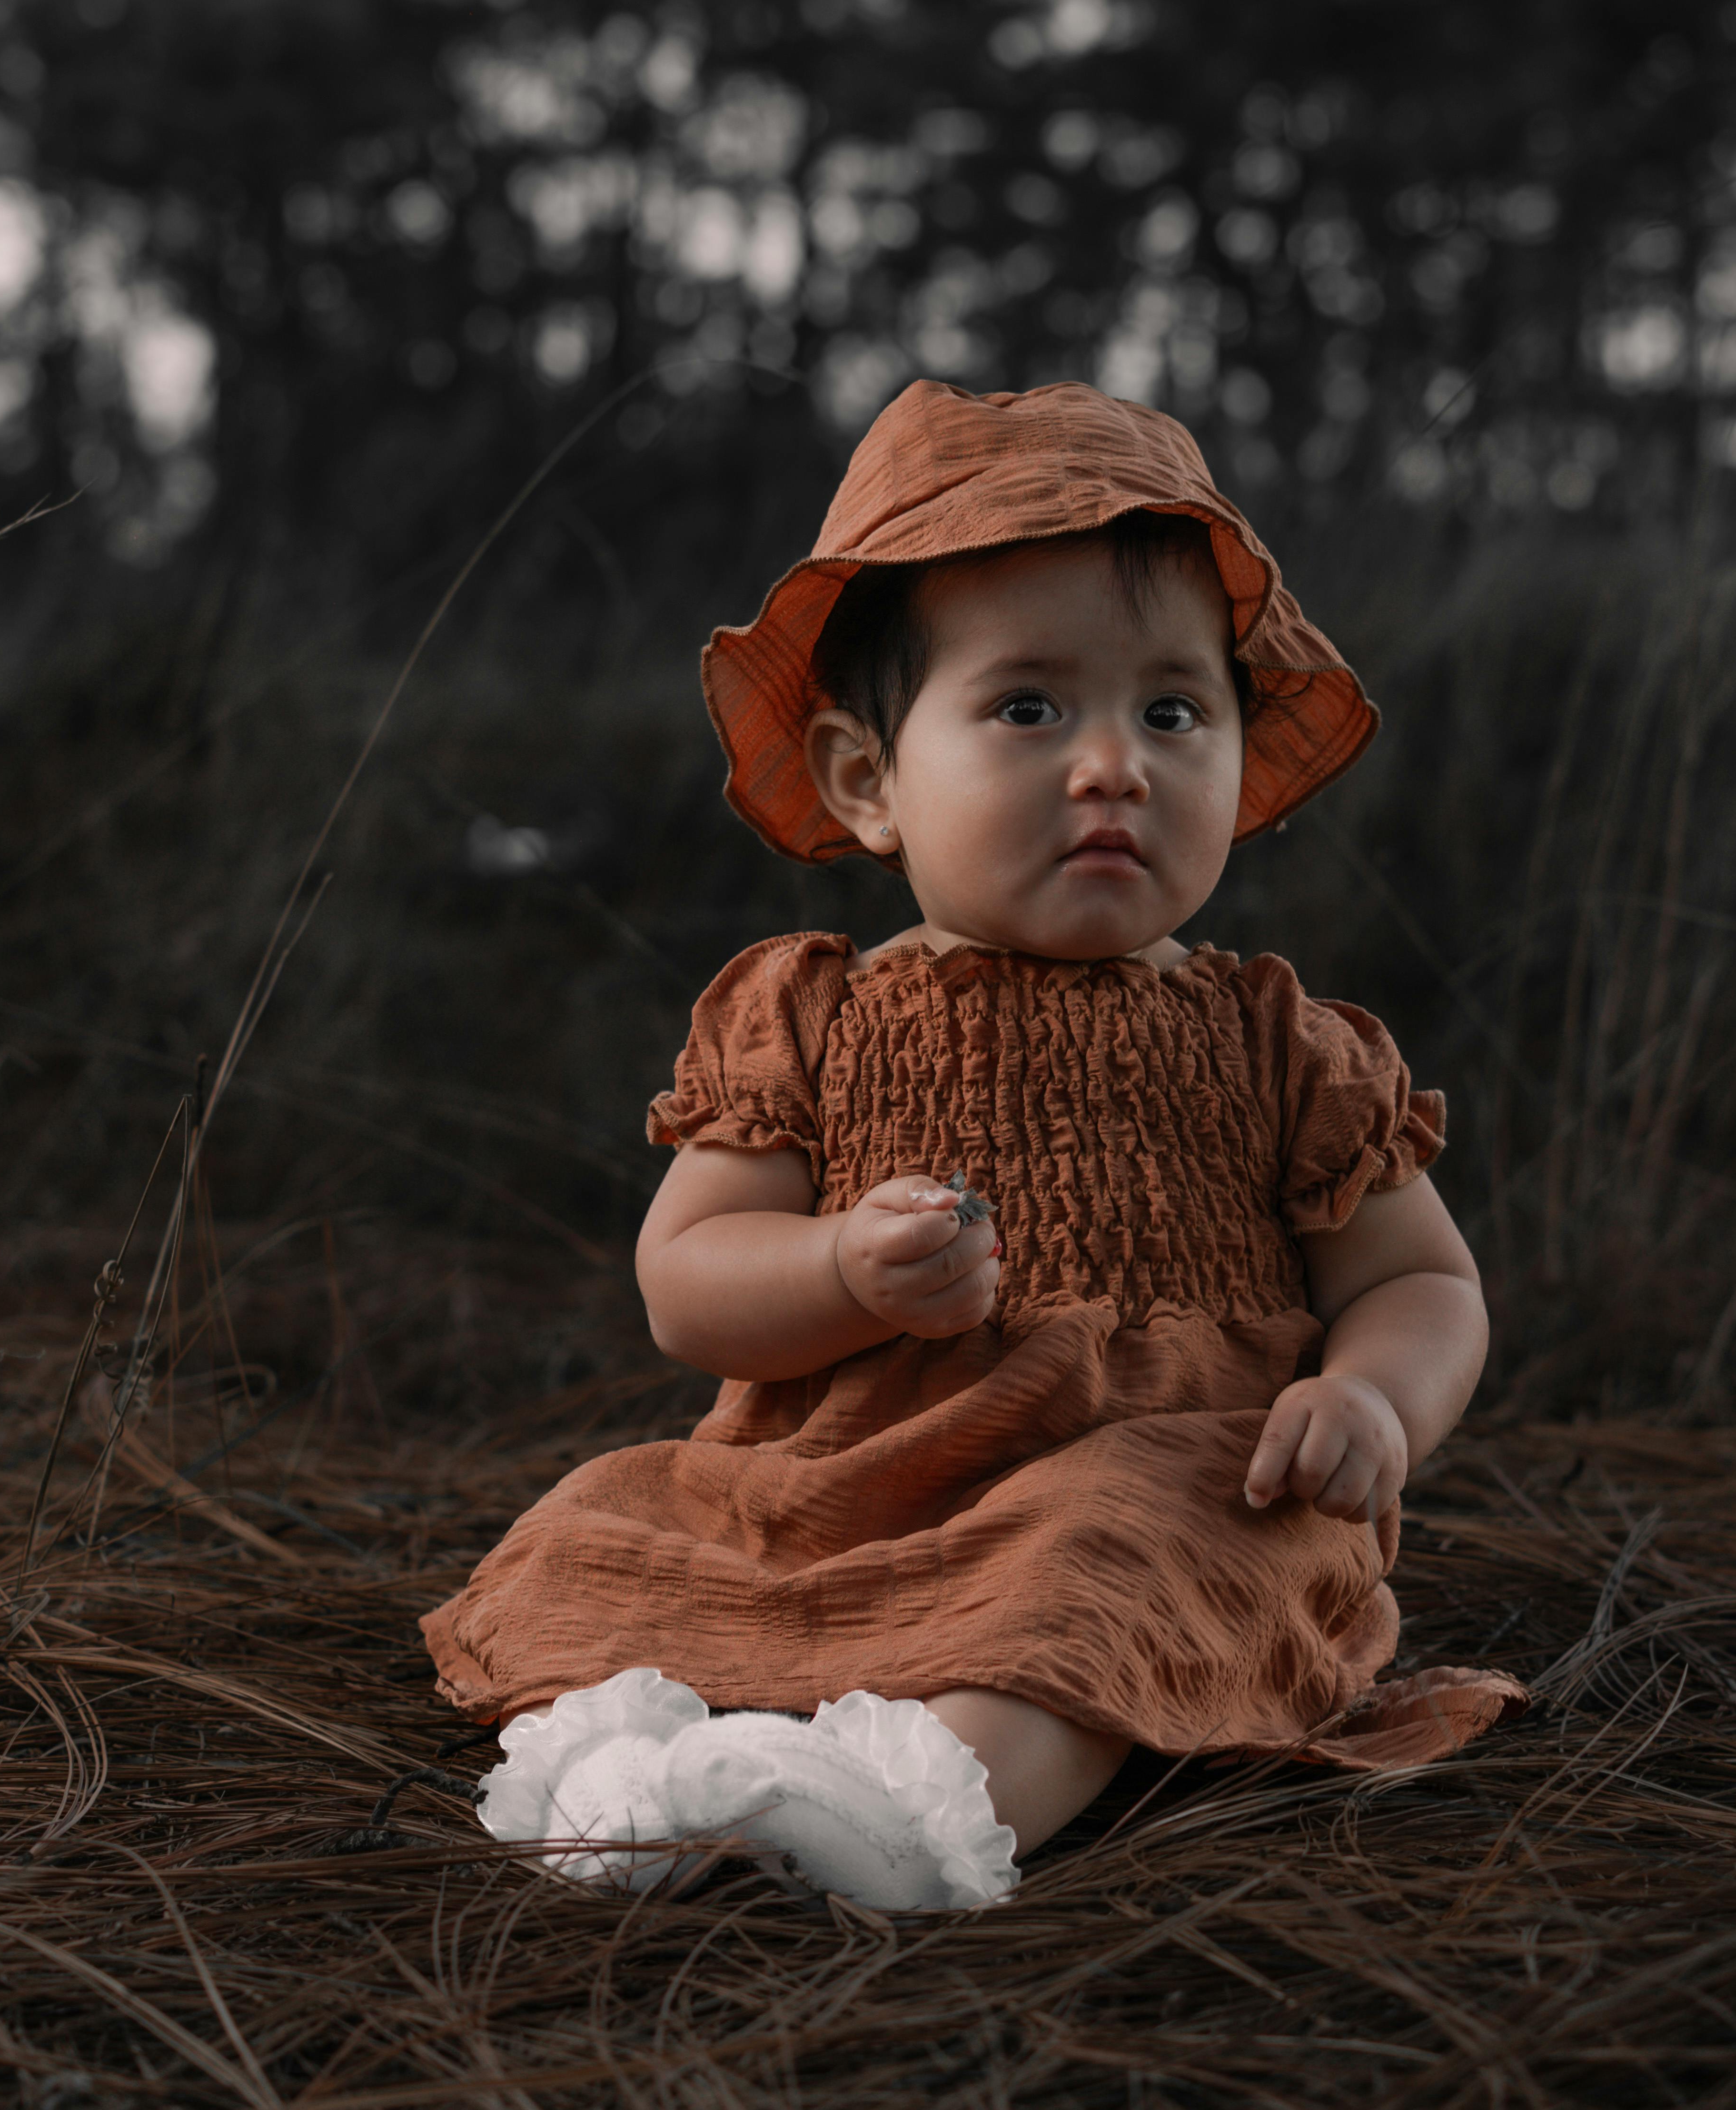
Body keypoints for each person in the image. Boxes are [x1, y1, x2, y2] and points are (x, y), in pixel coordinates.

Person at [419, 379, 1523, 1912]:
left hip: (1168, 1476)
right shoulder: (807, 1015)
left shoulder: (1289, 1044)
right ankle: (633, 1768)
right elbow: (687, 1278)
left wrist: (1373, 1396)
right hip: (852, 1482)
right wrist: (837, 1271)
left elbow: (1425, 1281)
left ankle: (919, 1812)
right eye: (1029, 707)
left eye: (1173, 710)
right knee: (614, 1533)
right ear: (871, 779)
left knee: (1100, 1580)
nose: (1112, 765)